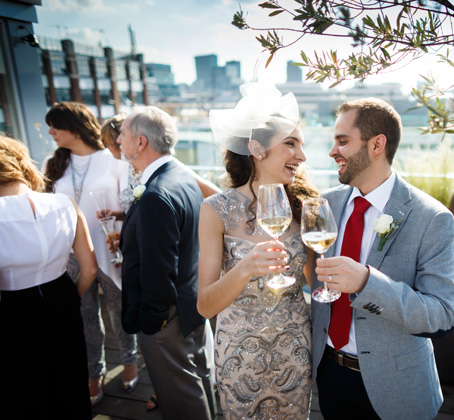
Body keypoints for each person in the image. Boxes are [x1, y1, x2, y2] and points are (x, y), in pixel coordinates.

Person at [311, 98, 454, 419]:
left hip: (399, 387)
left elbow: (442, 315)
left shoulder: (431, 218)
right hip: (331, 375)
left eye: (343, 141)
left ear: (377, 144)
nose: (333, 151)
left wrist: (367, 283)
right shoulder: (326, 205)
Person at [197, 82, 317, 420]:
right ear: (256, 148)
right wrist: (246, 268)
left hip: (294, 350)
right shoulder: (215, 210)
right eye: (291, 143)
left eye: (302, 146)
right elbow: (205, 306)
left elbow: (315, 283)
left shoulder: (304, 207)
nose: (302, 156)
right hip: (239, 356)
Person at [117, 106, 214, 419]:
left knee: (181, 399)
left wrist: (153, 321)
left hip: (168, 317)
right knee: (196, 383)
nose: (118, 139)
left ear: (141, 143)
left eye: (123, 133)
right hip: (190, 301)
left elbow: (160, 268)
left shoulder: (157, 193)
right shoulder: (182, 175)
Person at [43, 102, 138, 405]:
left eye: (55, 125)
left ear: (74, 126)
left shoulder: (113, 160)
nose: (50, 132)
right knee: (83, 318)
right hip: (69, 256)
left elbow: (130, 208)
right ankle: (93, 375)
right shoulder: (51, 163)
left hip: (112, 251)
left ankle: (130, 362)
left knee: (120, 313)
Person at [0, 136, 98, 419]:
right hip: (62, 299)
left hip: (14, 309)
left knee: (25, 390)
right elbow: (89, 269)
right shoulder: (64, 202)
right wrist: (68, 298)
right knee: (70, 381)